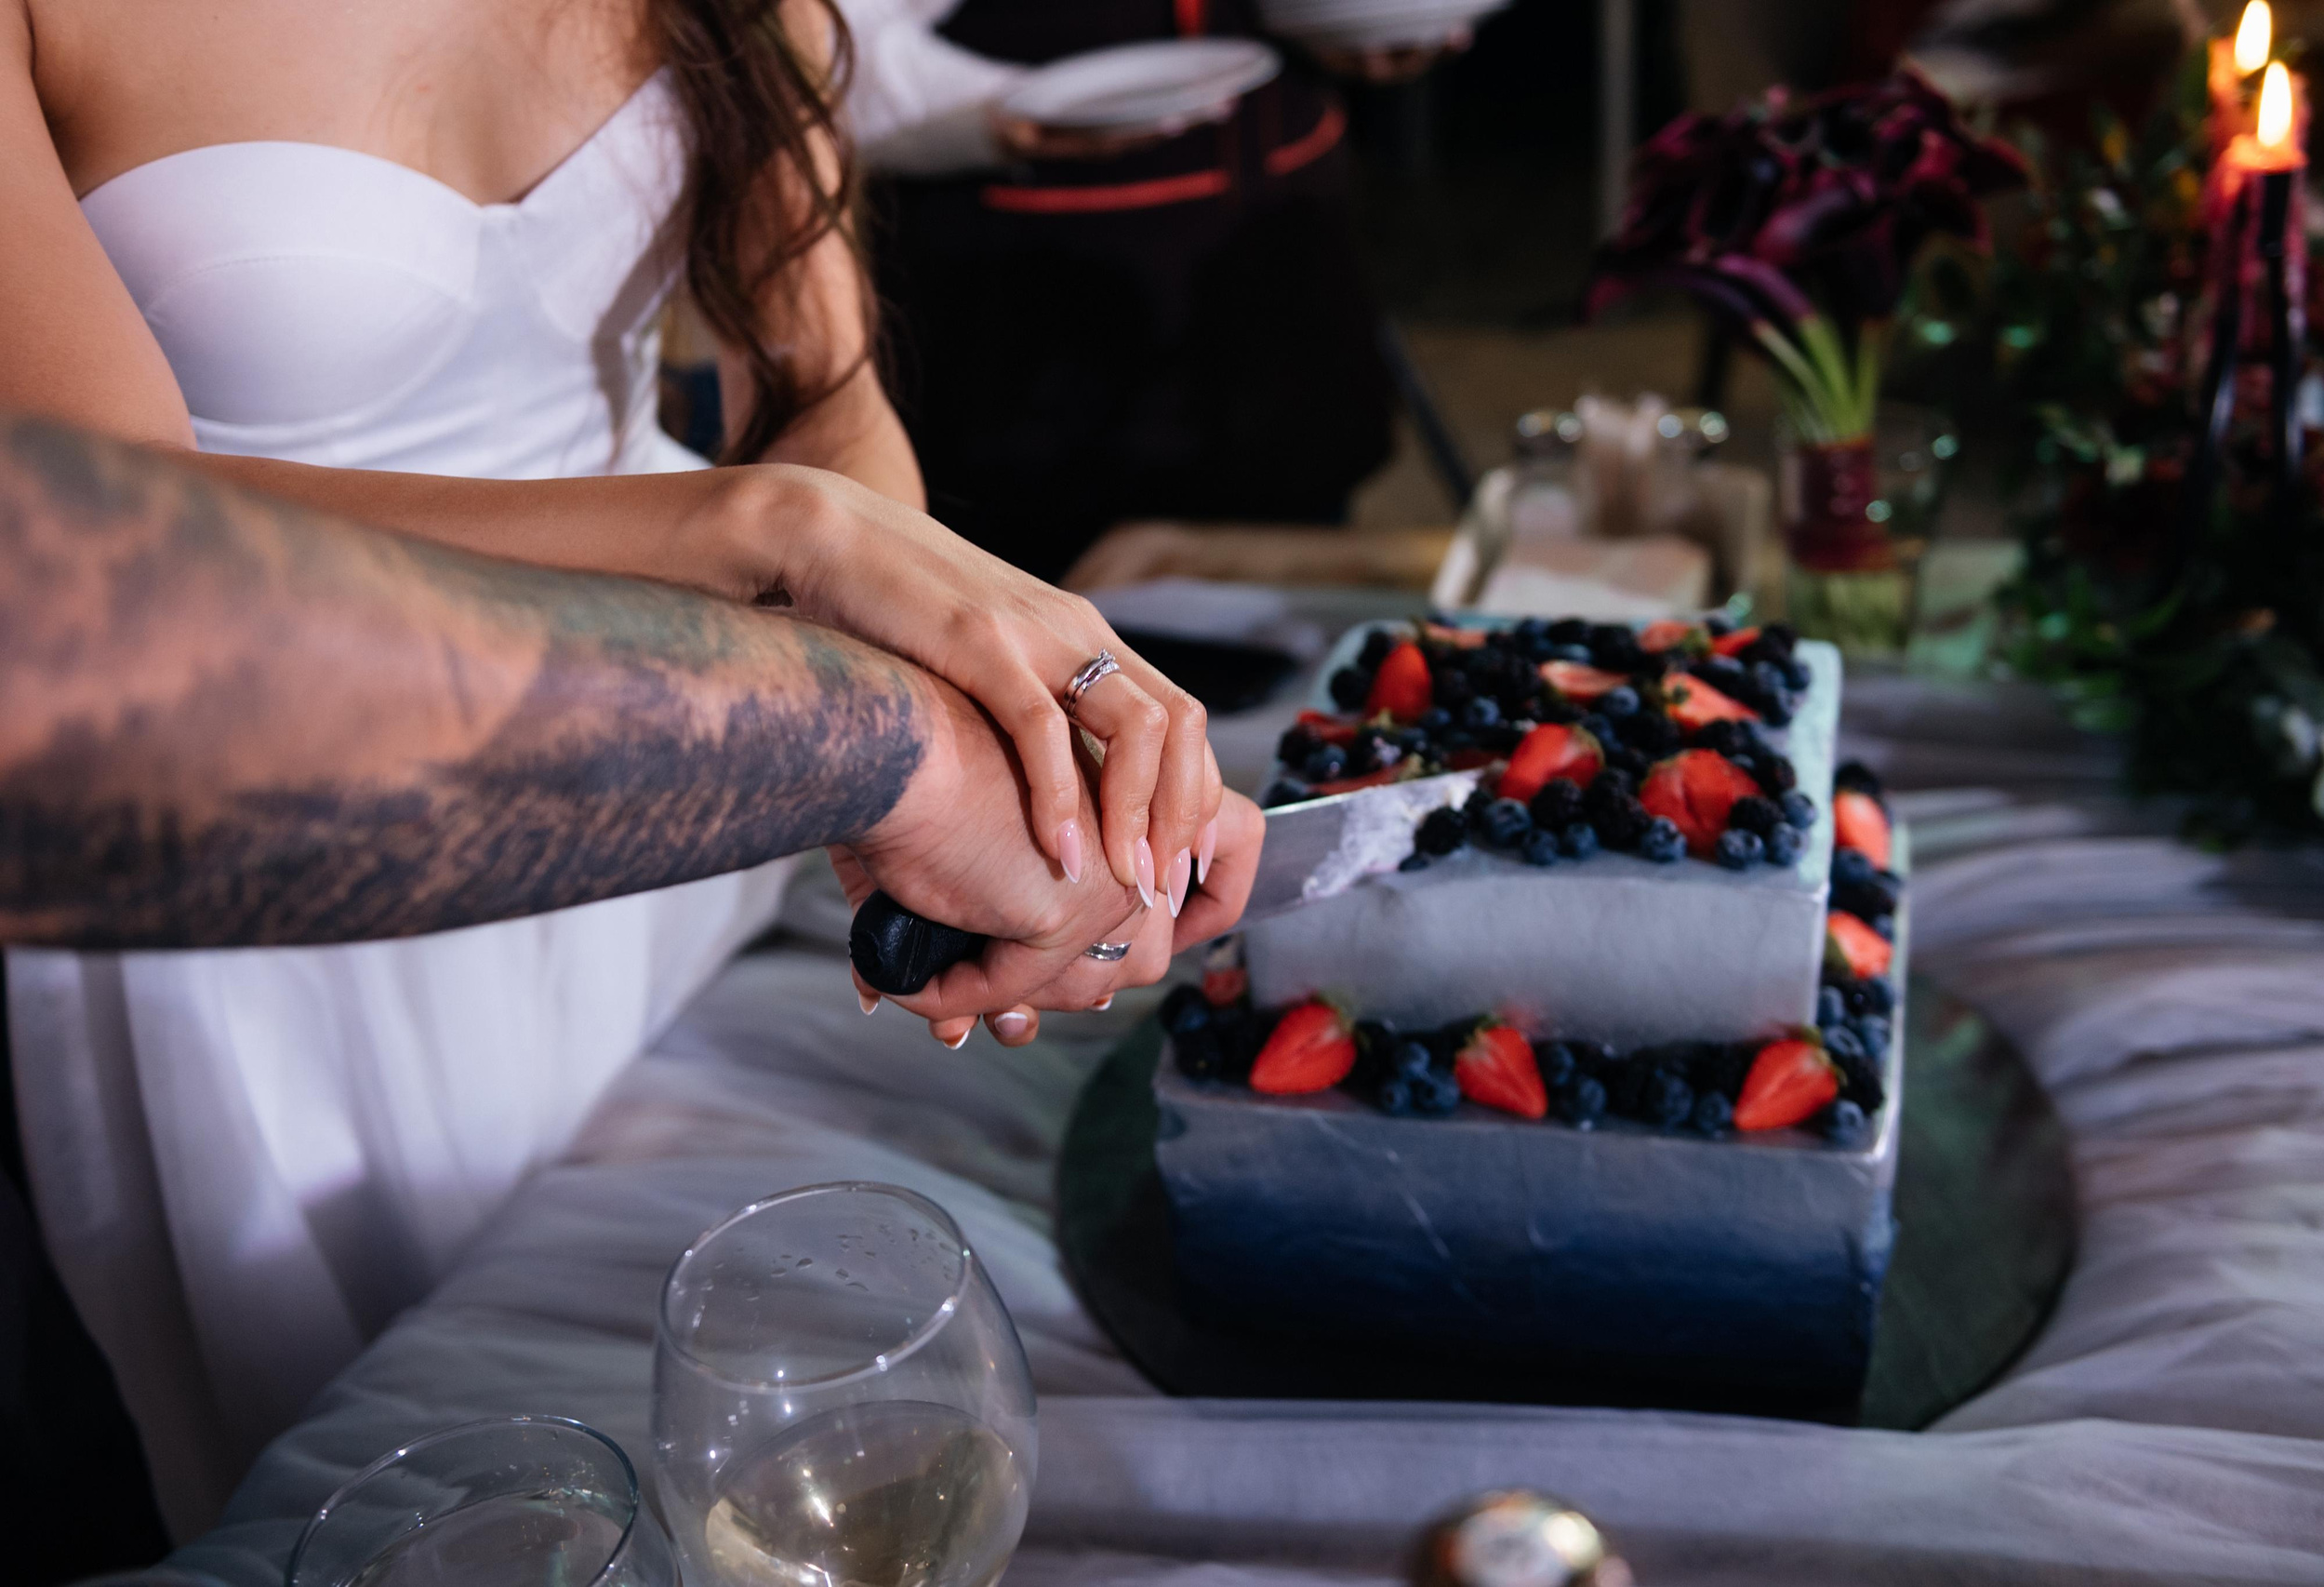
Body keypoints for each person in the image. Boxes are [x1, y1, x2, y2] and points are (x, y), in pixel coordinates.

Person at [0, 0, 1231, 1528]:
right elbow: (117, 556)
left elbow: (829, 403)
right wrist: (767, 536)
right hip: (316, 841)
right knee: (441, 1488)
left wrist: (988, 752)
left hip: (694, 785)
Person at [847, 0, 1421, 581]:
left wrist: (1353, 24)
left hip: (1281, 308)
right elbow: (812, 62)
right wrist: (987, 113)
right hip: (1026, 346)